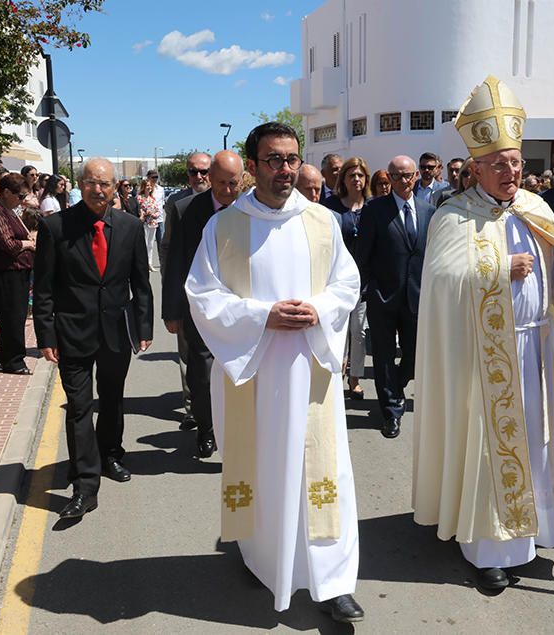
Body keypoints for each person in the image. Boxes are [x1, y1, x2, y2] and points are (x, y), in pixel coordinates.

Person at [413, 75, 554, 591]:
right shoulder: (454, 216)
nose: (511, 172)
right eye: (500, 164)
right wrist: (499, 270)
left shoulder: (534, 208)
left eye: (517, 162)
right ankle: (489, 547)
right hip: (481, 358)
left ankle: (533, 529)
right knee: (491, 446)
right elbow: (440, 281)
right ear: (476, 169)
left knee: (534, 442)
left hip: (536, 346)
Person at [185, 122, 364, 622]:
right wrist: (263, 316)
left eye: (291, 159)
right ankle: (265, 560)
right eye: (274, 159)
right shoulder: (223, 226)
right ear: (252, 165)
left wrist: (319, 309)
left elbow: (347, 284)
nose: (285, 169)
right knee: (266, 470)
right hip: (256, 374)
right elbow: (202, 295)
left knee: (324, 472)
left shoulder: (322, 221)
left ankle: (332, 581)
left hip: (311, 367)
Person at [33, 158, 154, 519]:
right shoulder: (55, 227)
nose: (98, 190)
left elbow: (141, 283)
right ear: (79, 185)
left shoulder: (130, 227)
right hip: (72, 332)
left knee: (112, 399)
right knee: (79, 407)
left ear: (115, 187)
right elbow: (43, 288)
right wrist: (46, 333)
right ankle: (85, 486)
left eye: (104, 184)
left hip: (116, 330)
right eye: (90, 183)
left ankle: (110, 454)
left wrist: (144, 327)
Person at [163, 150, 244, 457]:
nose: (227, 190)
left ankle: (237, 431)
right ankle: (207, 429)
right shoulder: (185, 210)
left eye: (233, 183)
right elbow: (175, 261)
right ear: (210, 179)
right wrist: (171, 311)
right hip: (199, 308)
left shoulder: (252, 210)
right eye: (221, 183)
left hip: (241, 309)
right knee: (201, 373)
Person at [355, 155, 435, 439]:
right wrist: (366, 290)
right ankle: (391, 411)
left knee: (413, 356)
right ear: (389, 178)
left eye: (408, 175)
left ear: (416, 176)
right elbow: (363, 254)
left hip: (417, 298)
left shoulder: (429, 210)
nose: (404, 180)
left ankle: (397, 385)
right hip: (383, 298)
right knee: (384, 357)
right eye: (397, 176)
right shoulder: (375, 210)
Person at [160, 152, 213, 430]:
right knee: (187, 352)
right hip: (188, 291)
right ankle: (193, 408)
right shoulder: (177, 203)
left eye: (204, 171)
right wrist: (171, 290)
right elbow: (169, 247)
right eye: (193, 172)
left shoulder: (230, 201)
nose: (199, 176)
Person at [323, 157, 371, 399]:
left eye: (360, 175)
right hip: (336, 281)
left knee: (359, 332)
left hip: (363, 281)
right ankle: (335, 377)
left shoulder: (372, 207)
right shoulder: (330, 206)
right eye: (351, 175)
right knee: (338, 331)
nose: (356, 179)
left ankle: (355, 379)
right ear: (343, 179)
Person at [0, 173, 36, 374]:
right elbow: (9, 245)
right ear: (6, 192)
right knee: (12, 316)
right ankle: (14, 360)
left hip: (16, 270)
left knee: (14, 315)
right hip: (6, 271)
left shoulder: (8, 210)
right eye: (19, 196)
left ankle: (5, 355)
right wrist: (28, 244)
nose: (22, 200)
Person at [137, 177, 161, 272]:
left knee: (150, 245)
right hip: (144, 223)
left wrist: (154, 215)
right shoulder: (140, 198)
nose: (149, 187)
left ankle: (150, 263)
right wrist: (144, 213)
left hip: (153, 223)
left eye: (150, 186)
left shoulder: (152, 198)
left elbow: (158, 211)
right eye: (147, 185)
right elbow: (138, 210)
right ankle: (144, 264)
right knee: (145, 244)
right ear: (143, 187)